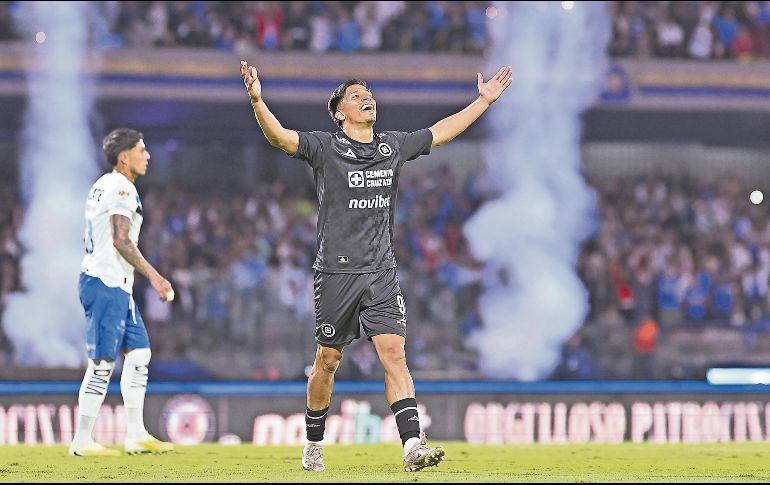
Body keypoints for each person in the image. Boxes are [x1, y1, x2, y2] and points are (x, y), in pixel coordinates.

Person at [240, 60, 511, 472]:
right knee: (327, 361)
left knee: (394, 353)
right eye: (355, 95)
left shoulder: (392, 146)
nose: (366, 98)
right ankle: (314, 444)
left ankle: (411, 446)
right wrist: (258, 100)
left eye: (368, 93)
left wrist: (483, 101)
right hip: (335, 273)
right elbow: (280, 138)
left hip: (381, 271)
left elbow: (441, 131)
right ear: (339, 112)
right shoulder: (324, 147)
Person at [69, 128, 175, 457]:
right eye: (141, 150)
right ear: (124, 157)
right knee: (102, 363)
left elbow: (93, 236)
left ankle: (136, 434)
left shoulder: (102, 185)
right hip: (106, 283)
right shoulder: (121, 188)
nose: (148, 156)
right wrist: (156, 277)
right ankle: (82, 440)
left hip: (113, 283)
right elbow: (120, 239)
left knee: (140, 354)